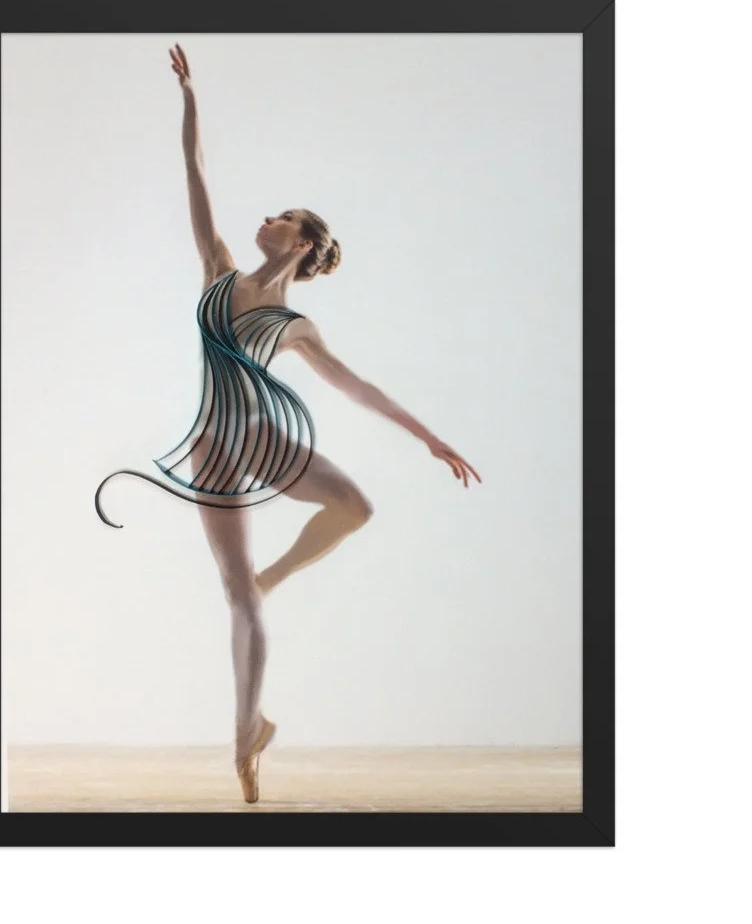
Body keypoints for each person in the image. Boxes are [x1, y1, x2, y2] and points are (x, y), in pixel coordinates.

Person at [95, 44, 481, 803]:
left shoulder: (296, 326)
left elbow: (358, 387)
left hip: (265, 440)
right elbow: (195, 170)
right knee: (237, 599)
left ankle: (271, 580)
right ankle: (248, 734)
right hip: (215, 447)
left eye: (283, 216)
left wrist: (430, 438)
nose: (266, 218)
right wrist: (190, 97)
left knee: (355, 507)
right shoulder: (218, 269)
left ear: (301, 243)